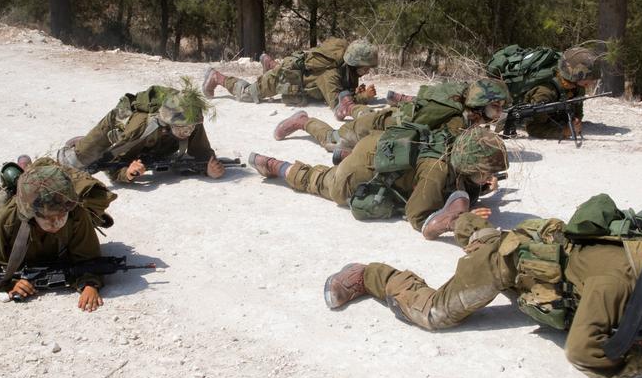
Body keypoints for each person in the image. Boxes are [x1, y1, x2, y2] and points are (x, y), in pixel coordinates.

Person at [322, 196, 642, 378]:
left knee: (492, 239)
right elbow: (584, 355)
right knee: (434, 313)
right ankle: (369, 274)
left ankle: (462, 221)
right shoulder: (615, 282)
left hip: (543, 252)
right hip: (509, 266)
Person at [249, 127, 508, 240]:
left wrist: (480, 185)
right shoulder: (436, 171)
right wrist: (454, 220)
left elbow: (458, 183)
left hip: (377, 147)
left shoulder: (456, 147)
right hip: (360, 170)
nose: (488, 176)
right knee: (320, 181)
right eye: (485, 171)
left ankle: (343, 155)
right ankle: (275, 165)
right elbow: (418, 216)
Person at [0, 159, 114, 311]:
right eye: (47, 217)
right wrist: (9, 283)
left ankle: (27, 168)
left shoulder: (76, 213)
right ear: (30, 214)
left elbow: (89, 259)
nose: (56, 223)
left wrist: (89, 284)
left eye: (61, 215)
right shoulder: (8, 218)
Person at [272, 78, 512, 155]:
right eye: (495, 106)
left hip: (395, 119)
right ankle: (303, 121)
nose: (499, 111)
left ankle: (351, 106)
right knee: (334, 140)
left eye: (501, 106)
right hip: (385, 125)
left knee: (369, 115)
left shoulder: (466, 108)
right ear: (480, 104)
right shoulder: (458, 120)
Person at [56, 79, 225, 183]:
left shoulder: (190, 120)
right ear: (167, 122)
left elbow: (203, 154)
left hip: (152, 141)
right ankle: (78, 145)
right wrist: (127, 173)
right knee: (73, 162)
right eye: (183, 128)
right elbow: (113, 164)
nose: (188, 132)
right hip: (122, 127)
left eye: (191, 127)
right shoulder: (140, 128)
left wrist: (209, 169)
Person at [202, 38, 379, 120]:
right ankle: (217, 77)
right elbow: (338, 106)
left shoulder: (344, 65)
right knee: (247, 93)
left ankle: (269, 64)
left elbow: (342, 89)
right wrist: (363, 98)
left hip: (296, 75)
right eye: (366, 68)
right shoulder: (331, 74)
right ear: (354, 63)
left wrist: (354, 93)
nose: (367, 71)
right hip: (285, 79)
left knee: (280, 71)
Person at [487, 40, 609, 139]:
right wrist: (564, 131)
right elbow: (534, 128)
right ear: (575, 76)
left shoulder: (578, 86)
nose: (591, 83)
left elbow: (577, 109)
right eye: (588, 79)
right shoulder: (545, 92)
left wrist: (575, 119)